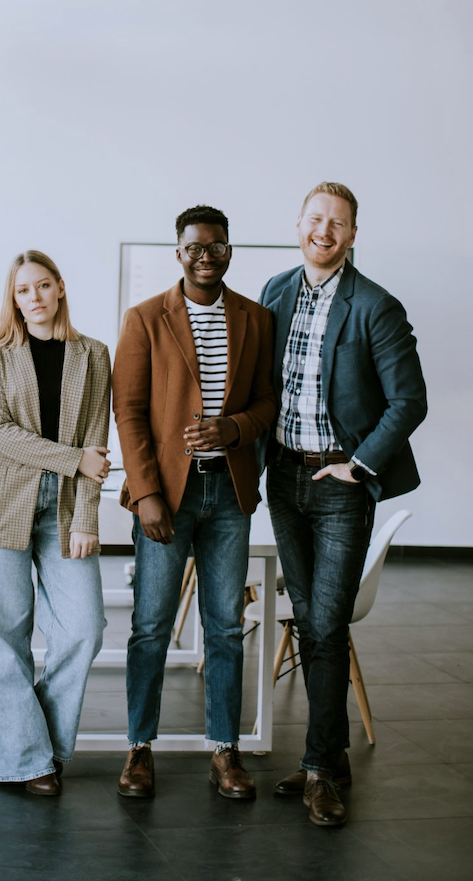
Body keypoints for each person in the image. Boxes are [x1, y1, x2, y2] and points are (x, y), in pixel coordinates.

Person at [260, 182, 427, 827]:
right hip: (283, 478)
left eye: (338, 223)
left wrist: (357, 467)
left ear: (353, 235)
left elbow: (408, 401)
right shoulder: (275, 291)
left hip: (339, 488)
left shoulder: (377, 307)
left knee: (325, 626)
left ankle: (322, 769)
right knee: (309, 621)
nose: (323, 231)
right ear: (297, 225)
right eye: (315, 219)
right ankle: (328, 755)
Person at [112, 205, 276, 799]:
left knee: (225, 629)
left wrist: (231, 429)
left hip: (229, 494)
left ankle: (225, 751)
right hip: (168, 498)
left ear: (229, 249)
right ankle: (139, 748)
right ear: (178, 252)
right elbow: (127, 413)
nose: (205, 256)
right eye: (194, 248)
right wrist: (147, 493)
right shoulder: (145, 319)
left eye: (216, 247)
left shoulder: (256, 320)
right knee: (150, 627)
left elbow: (265, 404)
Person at [0, 250, 111, 796]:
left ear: (61, 288)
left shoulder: (93, 354)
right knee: (5, 634)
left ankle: (34, 740)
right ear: (14, 299)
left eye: (43, 286)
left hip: (66, 506)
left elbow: (97, 438)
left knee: (84, 628)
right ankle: (28, 760)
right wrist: (72, 461)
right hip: (1, 499)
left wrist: (86, 515)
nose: (34, 298)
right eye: (23, 291)